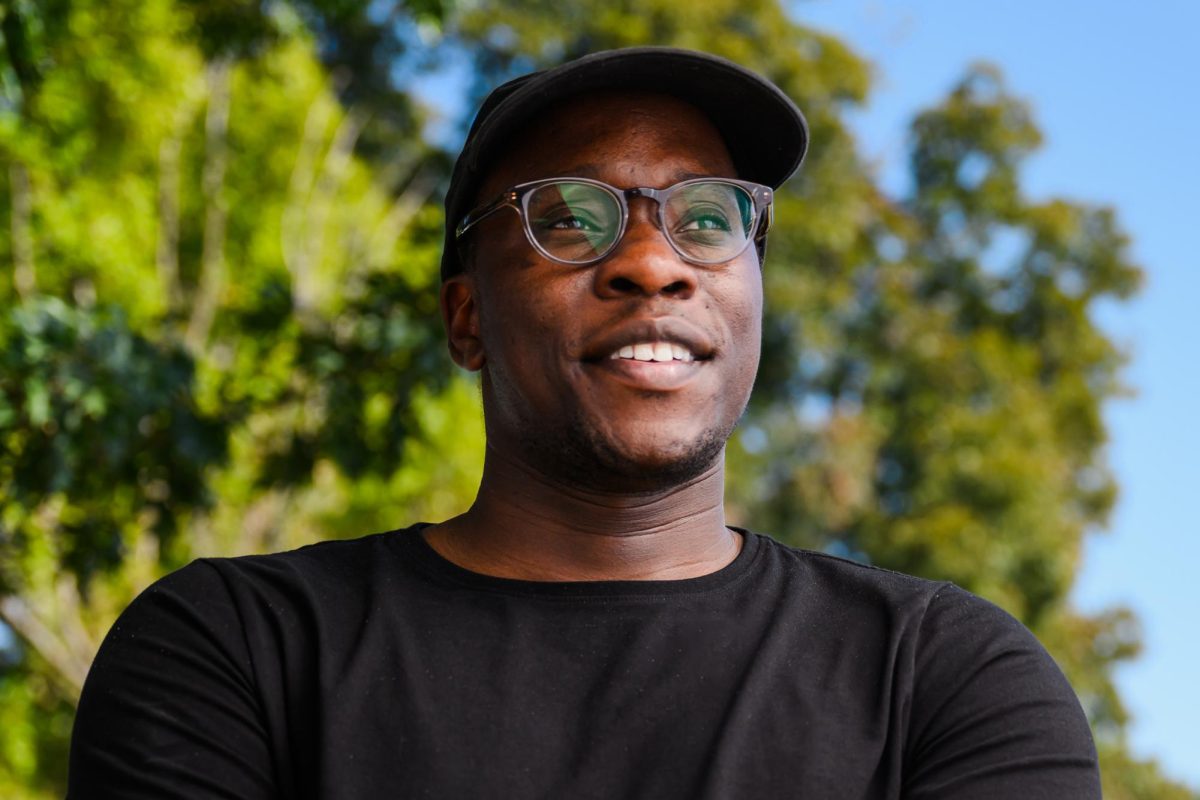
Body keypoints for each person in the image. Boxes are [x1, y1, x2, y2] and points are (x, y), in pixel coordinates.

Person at [68, 47, 1101, 798]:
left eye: (708, 218)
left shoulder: (946, 678)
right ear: (466, 316)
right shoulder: (238, 650)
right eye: (568, 217)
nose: (654, 261)